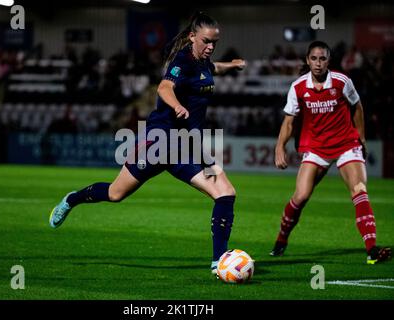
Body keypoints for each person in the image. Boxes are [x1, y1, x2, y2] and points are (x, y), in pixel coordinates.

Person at [48, 12, 246, 275]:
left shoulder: (203, 62)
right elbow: (164, 87)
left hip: (187, 147)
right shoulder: (182, 60)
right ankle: (72, 199)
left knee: (225, 193)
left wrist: (231, 64)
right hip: (159, 142)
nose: (211, 47)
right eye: (207, 41)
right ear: (192, 37)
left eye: (215, 43)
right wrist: (176, 106)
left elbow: (212, 69)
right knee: (115, 194)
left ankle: (218, 261)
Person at [270, 41, 391, 264]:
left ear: (329, 61)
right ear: (307, 60)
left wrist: (361, 137)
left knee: (359, 191)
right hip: (316, 148)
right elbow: (288, 122)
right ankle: (281, 240)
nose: (318, 63)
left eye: (323, 58)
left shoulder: (342, 81)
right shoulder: (298, 87)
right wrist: (280, 147)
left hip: (346, 143)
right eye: (314, 59)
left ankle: (372, 250)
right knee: (301, 196)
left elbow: (357, 106)